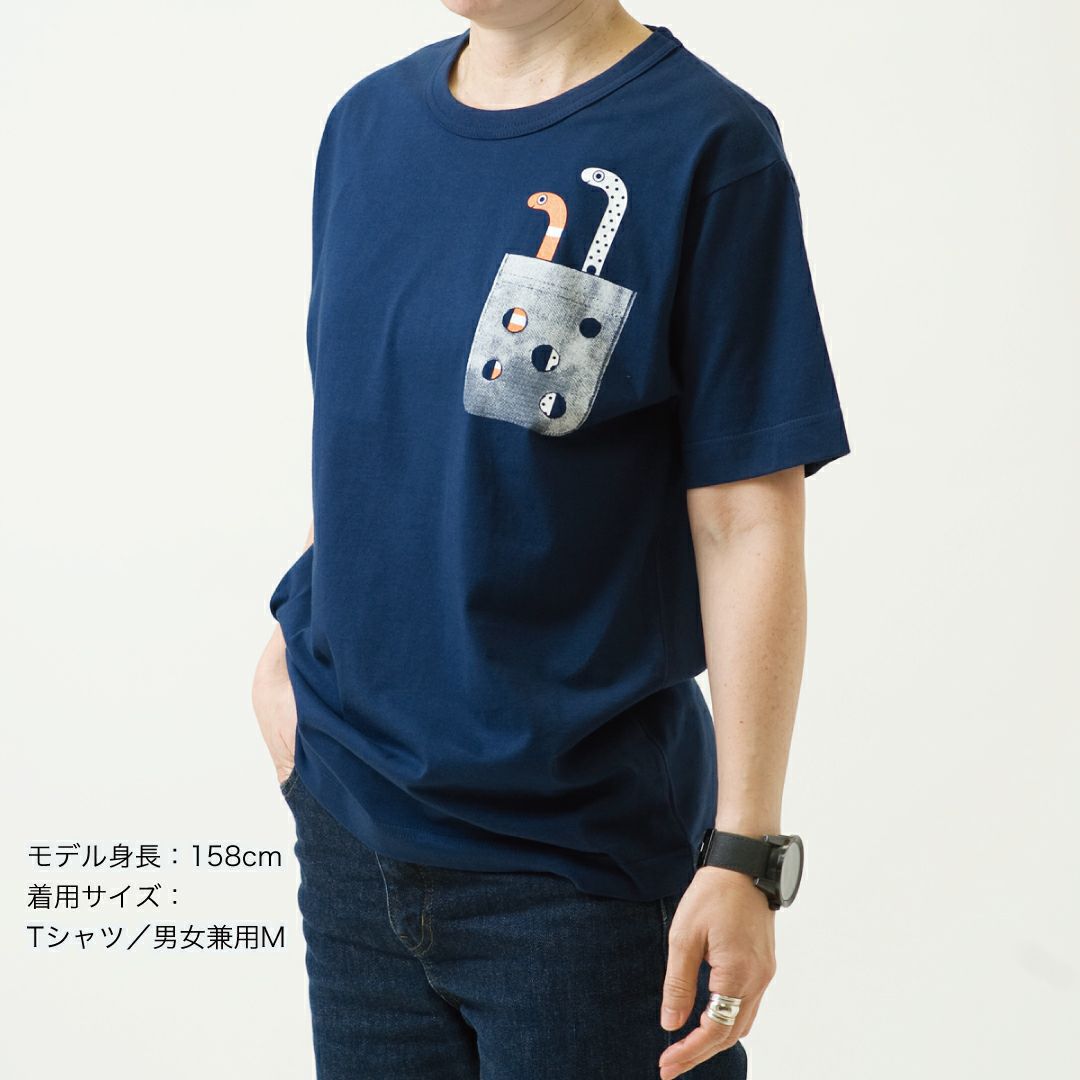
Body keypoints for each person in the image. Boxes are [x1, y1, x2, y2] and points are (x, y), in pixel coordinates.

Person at [252, 2, 850, 1077]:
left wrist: (745, 850)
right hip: (350, 825)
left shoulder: (707, 145)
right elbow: (370, 418)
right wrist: (287, 655)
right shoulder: (367, 125)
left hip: (581, 875)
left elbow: (745, 516)